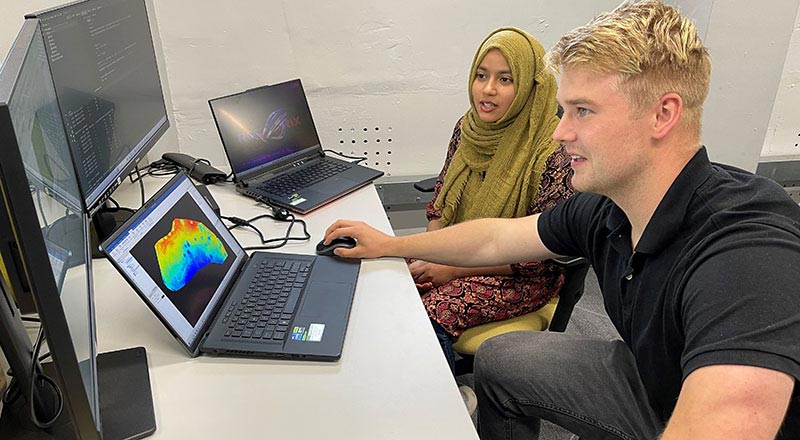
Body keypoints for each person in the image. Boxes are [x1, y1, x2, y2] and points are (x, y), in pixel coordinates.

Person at [323, 1, 800, 439]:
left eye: (583, 111)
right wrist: (389, 245)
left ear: (662, 114)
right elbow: (495, 240)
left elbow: (729, 419)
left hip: (706, 412)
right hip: (654, 382)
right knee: (502, 360)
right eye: (564, 110)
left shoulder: (746, 249)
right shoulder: (609, 206)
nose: (560, 132)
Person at [411, 27, 574, 372]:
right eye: (481, 75)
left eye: (505, 79)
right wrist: (432, 253)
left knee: (425, 314)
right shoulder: (468, 128)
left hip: (522, 275)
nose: (488, 89)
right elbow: (440, 203)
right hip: (456, 250)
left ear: (529, 85)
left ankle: (446, 397)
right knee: (388, 278)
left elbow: (538, 255)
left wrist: (451, 269)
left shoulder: (554, 150)